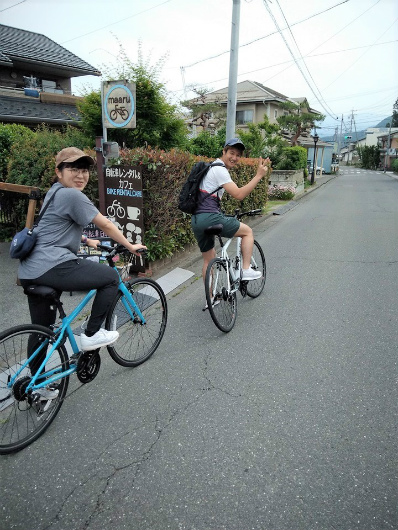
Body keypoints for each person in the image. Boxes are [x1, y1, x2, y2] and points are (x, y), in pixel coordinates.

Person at [18, 147, 146, 400]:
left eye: (84, 169)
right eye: (73, 169)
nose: (80, 175)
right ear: (58, 171)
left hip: (30, 270)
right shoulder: (72, 196)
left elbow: (56, 228)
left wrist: (89, 241)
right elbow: (107, 223)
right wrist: (130, 245)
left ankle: (37, 385)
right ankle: (92, 334)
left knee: (41, 328)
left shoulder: (54, 194)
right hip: (53, 265)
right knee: (110, 278)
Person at [191, 138, 271, 299]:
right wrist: (258, 176)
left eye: (238, 155)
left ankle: (210, 297)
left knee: (209, 260)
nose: (234, 157)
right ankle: (246, 269)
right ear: (224, 152)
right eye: (231, 153)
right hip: (210, 218)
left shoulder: (209, 167)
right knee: (247, 232)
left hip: (197, 220)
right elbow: (239, 195)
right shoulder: (220, 170)